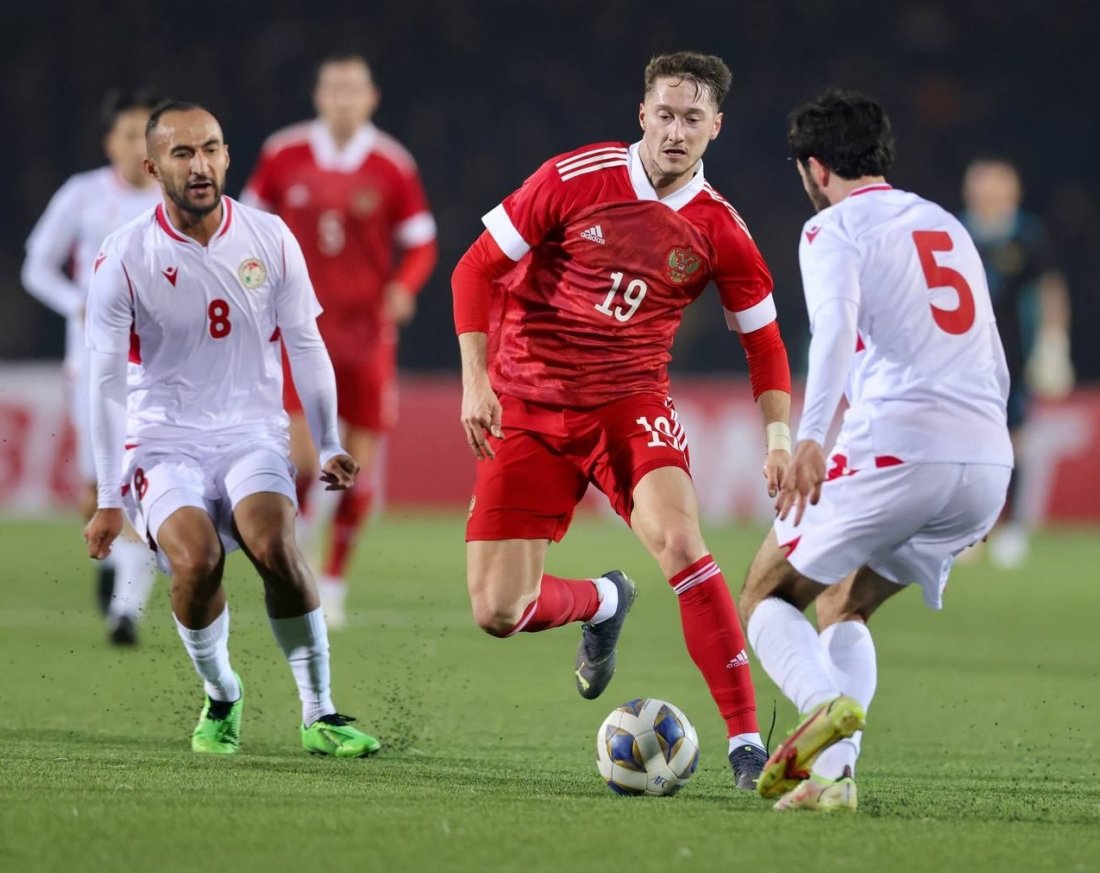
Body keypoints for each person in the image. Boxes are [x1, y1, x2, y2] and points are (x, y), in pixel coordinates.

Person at [452, 52, 793, 791]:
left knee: (682, 540)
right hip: (527, 401)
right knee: (499, 610)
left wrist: (778, 439)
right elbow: (474, 268)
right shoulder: (574, 177)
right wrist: (476, 381)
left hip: (629, 403)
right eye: (664, 115)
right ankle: (604, 600)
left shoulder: (721, 230)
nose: (675, 132)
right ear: (643, 114)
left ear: (716, 127)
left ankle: (745, 745)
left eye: (692, 119)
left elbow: (765, 344)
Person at [740, 89, 1013, 812]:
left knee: (767, 592)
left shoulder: (832, 228)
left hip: (902, 448)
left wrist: (811, 437)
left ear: (816, 168)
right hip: (985, 461)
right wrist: (986, 463)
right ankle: (833, 780)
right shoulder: (946, 223)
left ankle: (822, 705)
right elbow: (991, 353)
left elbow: (833, 331)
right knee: (844, 602)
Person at [83, 101, 379, 757]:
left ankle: (320, 711)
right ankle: (222, 693)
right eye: (182, 153)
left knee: (276, 545)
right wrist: (108, 496)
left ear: (226, 156)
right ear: (152, 167)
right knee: (198, 563)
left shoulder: (269, 237)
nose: (200, 165)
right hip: (162, 441)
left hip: (251, 433)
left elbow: (306, 344)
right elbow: (104, 386)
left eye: (210, 149)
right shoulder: (124, 255)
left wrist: (328, 439)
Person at [242, 52, 438, 628]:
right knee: (304, 457)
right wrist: (253, 283)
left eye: (353, 89)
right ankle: (301, 537)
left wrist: (403, 286)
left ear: (371, 98)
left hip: (367, 332)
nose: (343, 99)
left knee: (356, 465)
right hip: (299, 325)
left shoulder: (392, 164)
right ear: (318, 96)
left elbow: (421, 242)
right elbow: (246, 227)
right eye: (333, 88)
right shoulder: (284, 154)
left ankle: (332, 583)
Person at [22, 88, 163, 646]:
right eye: (129, 136)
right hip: (91, 365)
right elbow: (37, 266)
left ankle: (126, 609)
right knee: (96, 487)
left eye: (148, 137)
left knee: (141, 482)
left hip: (157, 368)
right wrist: (76, 302)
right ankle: (117, 567)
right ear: (111, 142)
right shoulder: (82, 196)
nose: (139, 147)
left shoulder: (176, 201)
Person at [961, 157, 1073, 568]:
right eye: (982, 184)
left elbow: (1049, 290)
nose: (989, 193)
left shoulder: (1027, 236)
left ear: (1013, 191)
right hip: (961, 359)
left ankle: (1013, 527)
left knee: (1014, 442)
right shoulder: (954, 231)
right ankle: (968, 529)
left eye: (997, 185)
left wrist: (1053, 342)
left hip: (1013, 358)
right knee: (964, 444)